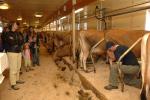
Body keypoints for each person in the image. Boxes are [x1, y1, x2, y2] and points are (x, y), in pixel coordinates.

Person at [6, 21, 25, 90]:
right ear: (11, 25)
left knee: (18, 67)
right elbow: (11, 42)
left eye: (17, 25)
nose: (17, 25)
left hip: (18, 52)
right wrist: (17, 42)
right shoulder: (7, 33)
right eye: (15, 24)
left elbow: (22, 41)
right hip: (12, 52)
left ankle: (17, 80)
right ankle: (13, 84)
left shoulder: (18, 33)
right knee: (13, 68)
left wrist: (17, 42)